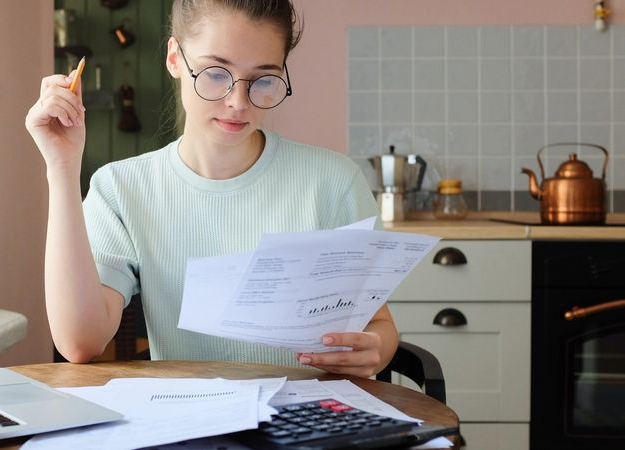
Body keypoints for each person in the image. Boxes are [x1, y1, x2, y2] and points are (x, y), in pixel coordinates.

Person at [25, 0, 398, 378]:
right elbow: (79, 342)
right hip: (190, 421)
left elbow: (378, 324)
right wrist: (62, 167)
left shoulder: (333, 181)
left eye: (263, 79)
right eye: (216, 73)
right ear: (175, 59)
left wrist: (377, 349)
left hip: (307, 420)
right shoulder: (122, 188)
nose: (238, 102)